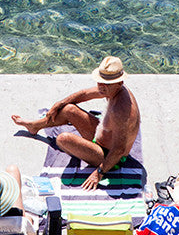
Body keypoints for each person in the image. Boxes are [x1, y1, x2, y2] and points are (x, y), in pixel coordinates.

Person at [12, 56, 140, 191]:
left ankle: (84, 153)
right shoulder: (113, 89)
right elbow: (85, 94)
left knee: (63, 139)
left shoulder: (122, 111)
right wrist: (59, 104)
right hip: (102, 136)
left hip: (110, 157)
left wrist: (99, 173)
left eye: (106, 84)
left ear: (119, 83)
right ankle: (35, 126)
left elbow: (119, 150)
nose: (101, 87)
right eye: (100, 82)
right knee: (69, 109)